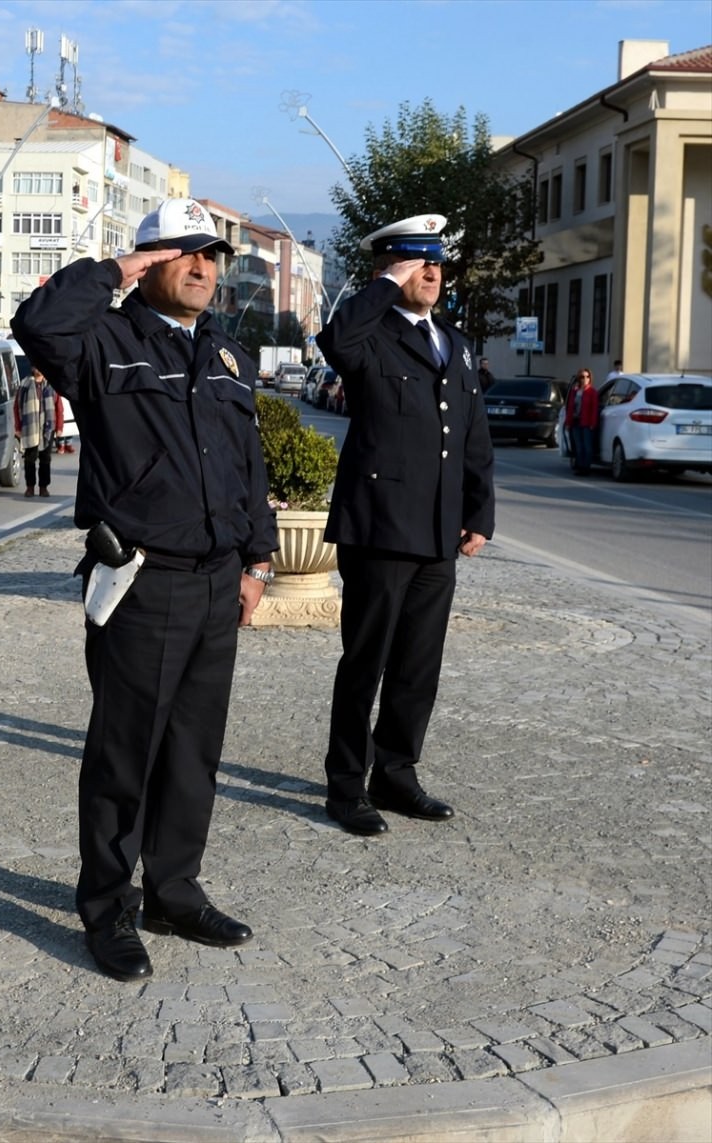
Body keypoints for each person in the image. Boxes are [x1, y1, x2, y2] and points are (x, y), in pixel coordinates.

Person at [11, 198, 277, 982]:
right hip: (142, 580)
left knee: (195, 752)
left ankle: (174, 890)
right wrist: (116, 271)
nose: (202, 267)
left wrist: (257, 563)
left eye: (211, 256)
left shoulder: (228, 357)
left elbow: (247, 467)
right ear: (148, 262)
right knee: (125, 753)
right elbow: (38, 322)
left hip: (217, 583)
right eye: (184, 253)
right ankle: (108, 907)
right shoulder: (104, 340)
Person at [315, 213, 495, 837]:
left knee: (420, 664)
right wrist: (385, 288)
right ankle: (345, 786)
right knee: (366, 661)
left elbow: (474, 434)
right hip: (378, 529)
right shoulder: (370, 333)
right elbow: (335, 341)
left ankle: (396, 774)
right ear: (389, 270)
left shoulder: (456, 342)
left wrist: (478, 512)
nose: (431, 273)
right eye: (416, 263)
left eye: (436, 263)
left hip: (438, 531)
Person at [13, 365, 64, 497]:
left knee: (45, 459)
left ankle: (43, 487)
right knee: (30, 459)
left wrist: (59, 427)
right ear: (32, 369)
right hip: (30, 428)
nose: (39, 369)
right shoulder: (25, 385)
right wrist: (18, 427)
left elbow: (58, 406)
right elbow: (17, 406)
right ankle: (30, 487)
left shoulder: (51, 385)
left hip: (47, 428)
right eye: (36, 367)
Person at [564, 367, 599, 475]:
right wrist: (568, 422)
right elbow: (570, 408)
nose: (585, 379)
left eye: (587, 376)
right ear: (579, 378)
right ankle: (579, 467)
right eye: (582, 377)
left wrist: (593, 423)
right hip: (575, 422)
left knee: (587, 447)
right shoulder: (575, 391)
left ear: (590, 378)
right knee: (578, 446)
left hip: (587, 423)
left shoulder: (592, 392)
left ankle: (586, 467)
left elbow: (594, 409)